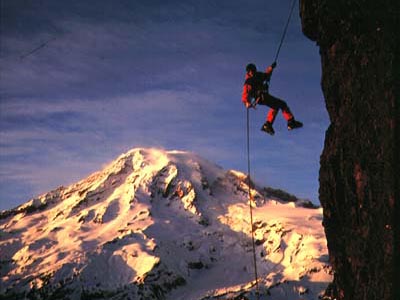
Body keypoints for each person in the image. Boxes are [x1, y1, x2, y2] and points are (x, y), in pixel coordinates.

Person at [242, 62, 303, 135]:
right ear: (248, 72)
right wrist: (246, 102)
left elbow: (266, 75)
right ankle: (291, 122)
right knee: (282, 104)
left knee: (276, 106)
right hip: (260, 97)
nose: (253, 72)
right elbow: (245, 93)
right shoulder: (249, 80)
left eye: (253, 70)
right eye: (251, 71)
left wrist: (271, 67)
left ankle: (268, 125)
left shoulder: (258, 75)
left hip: (262, 97)